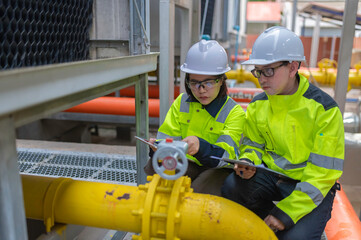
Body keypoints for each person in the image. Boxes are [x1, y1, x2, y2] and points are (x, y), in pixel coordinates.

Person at [221, 26, 344, 239]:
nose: (261, 79)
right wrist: (247, 161)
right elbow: (252, 144)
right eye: (258, 71)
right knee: (232, 186)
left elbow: (322, 175)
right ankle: (269, 226)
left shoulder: (324, 110)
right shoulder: (259, 104)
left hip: (311, 188)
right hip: (272, 178)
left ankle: (291, 225)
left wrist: (287, 214)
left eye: (268, 71)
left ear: (293, 67)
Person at [144, 39, 246, 196]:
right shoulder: (181, 103)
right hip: (186, 163)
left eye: (209, 83)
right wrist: (158, 148)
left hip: (216, 169)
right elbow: (167, 137)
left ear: (221, 81)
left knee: (198, 191)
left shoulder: (234, 112)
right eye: (194, 83)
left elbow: (227, 157)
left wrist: (201, 147)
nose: (201, 90)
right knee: (155, 165)